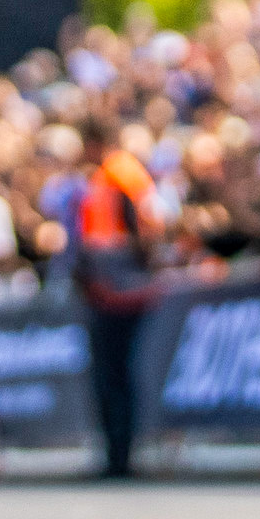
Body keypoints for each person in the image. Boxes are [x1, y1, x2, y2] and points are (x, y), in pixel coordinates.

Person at [64, 129, 164, 478]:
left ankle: (119, 456)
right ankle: (117, 453)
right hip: (117, 290)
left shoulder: (115, 176)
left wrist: (111, 276)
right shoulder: (125, 175)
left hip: (116, 293)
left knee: (113, 376)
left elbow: (139, 237)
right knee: (116, 375)